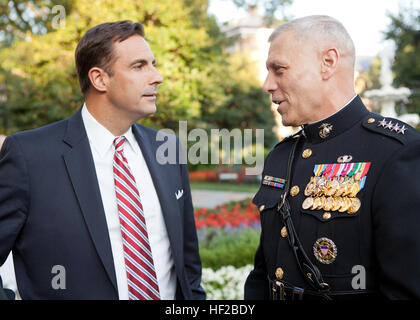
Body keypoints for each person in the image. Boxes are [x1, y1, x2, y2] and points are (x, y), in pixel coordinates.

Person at [0, 20, 205, 300]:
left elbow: (188, 263)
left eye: (153, 64)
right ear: (99, 79)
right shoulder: (28, 155)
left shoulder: (168, 149)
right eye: (139, 66)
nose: (157, 76)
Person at [244, 15, 420, 300]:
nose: (267, 84)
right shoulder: (282, 155)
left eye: (279, 70)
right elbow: (263, 275)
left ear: (328, 63)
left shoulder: (397, 153)